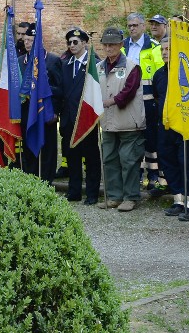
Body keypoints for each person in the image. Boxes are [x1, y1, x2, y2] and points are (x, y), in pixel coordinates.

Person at [152, 40, 189, 221]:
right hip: (166, 127)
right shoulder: (159, 74)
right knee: (169, 162)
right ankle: (179, 200)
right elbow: (158, 98)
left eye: (169, 49)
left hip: (185, 126)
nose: (165, 53)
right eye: (163, 49)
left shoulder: (188, 71)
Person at [96, 27, 144, 212]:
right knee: (109, 159)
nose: (108, 48)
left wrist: (110, 101)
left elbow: (128, 92)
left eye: (112, 45)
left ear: (121, 45)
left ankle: (130, 197)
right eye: (106, 45)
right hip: (107, 122)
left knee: (129, 160)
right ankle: (114, 196)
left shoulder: (132, 66)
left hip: (128, 122)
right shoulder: (99, 67)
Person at [58, 29, 101, 204]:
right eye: (69, 43)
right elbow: (62, 90)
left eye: (75, 42)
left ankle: (92, 193)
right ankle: (74, 191)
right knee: (72, 156)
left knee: (91, 157)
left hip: (86, 118)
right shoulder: (66, 64)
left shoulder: (94, 64)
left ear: (84, 43)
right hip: (68, 118)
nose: (72, 46)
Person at [17, 22, 64, 180]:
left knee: (47, 150)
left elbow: (59, 88)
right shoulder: (20, 61)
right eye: (26, 41)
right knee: (29, 150)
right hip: (26, 114)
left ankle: (46, 182)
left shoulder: (52, 60)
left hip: (46, 114)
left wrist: (55, 111)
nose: (28, 44)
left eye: (31, 40)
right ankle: (30, 181)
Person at [124, 13, 165, 191]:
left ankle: (153, 175)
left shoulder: (154, 47)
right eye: (129, 25)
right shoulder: (123, 47)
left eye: (135, 25)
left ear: (142, 27)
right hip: (128, 100)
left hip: (149, 100)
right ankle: (137, 175)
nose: (132, 28)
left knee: (151, 138)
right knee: (133, 137)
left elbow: (160, 76)